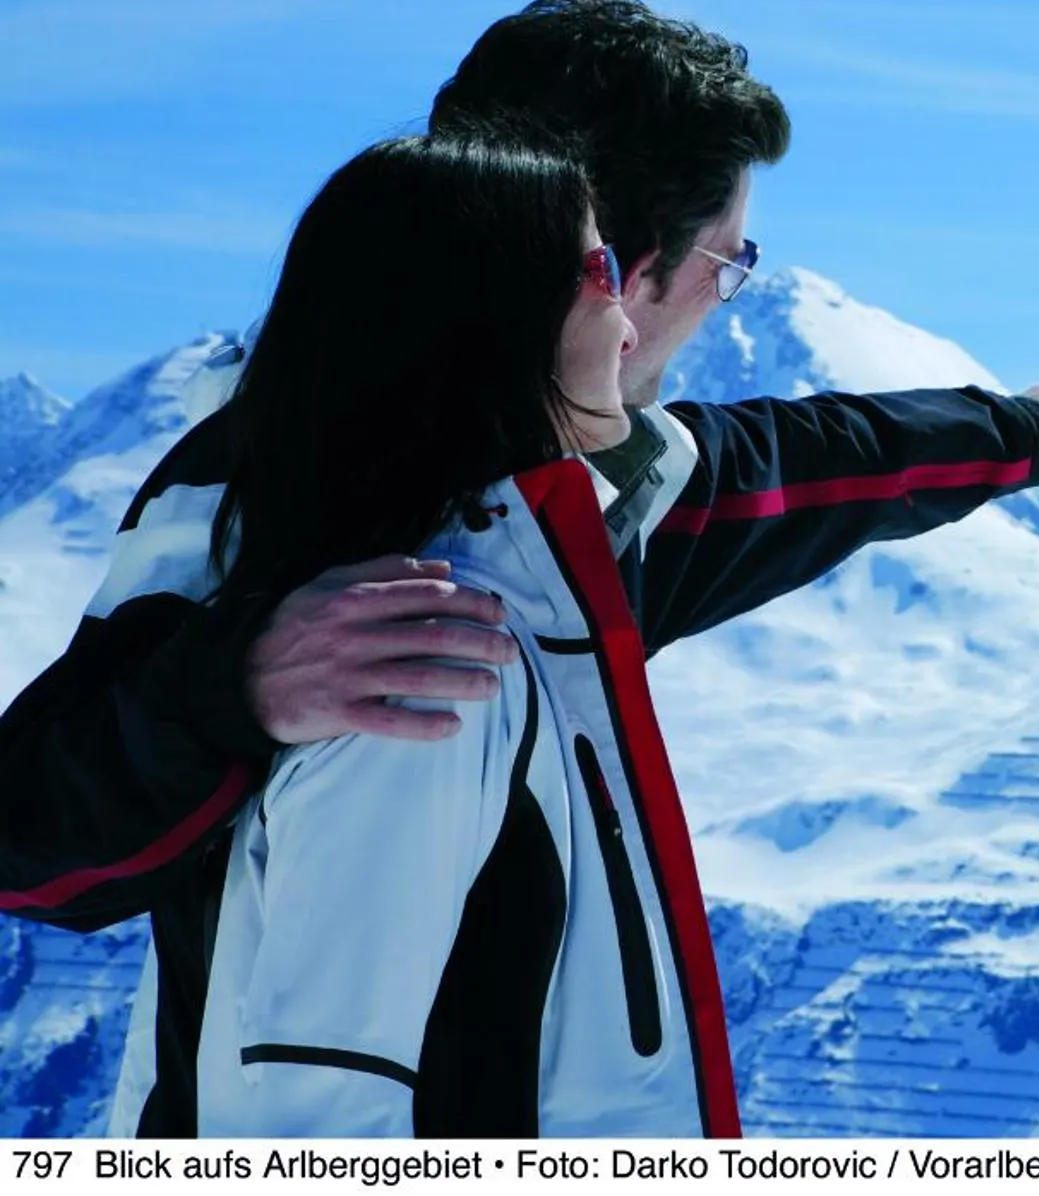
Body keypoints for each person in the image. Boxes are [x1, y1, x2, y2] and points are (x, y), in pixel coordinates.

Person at [0, 0, 1039, 1133]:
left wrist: (1032, 432)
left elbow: (808, 466)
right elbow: (33, 836)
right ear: (620, 274)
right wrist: (237, 683)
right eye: (730, 259)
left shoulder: (584, 506)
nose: (727, 288)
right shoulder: (259, 509)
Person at [132, 133, 767, 1134]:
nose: (630, 324)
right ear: (494, 315)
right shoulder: (421, 647)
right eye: (600, 269)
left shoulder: (479, 589)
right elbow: (324, 1100)